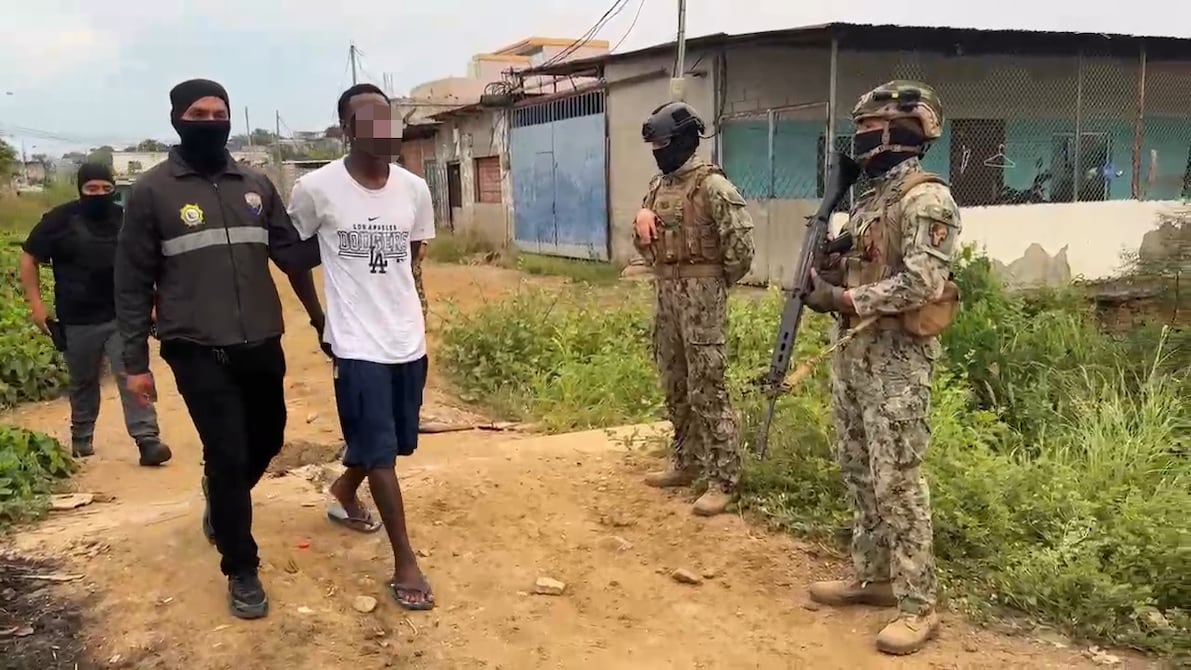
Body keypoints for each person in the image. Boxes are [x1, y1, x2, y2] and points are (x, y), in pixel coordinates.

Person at [114, 78, 324, 620]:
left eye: (219, 112)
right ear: (176, 120)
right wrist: (134, 363)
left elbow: (290, 254)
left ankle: (222, 496)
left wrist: (344, 228)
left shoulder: (255, 184)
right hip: (195, 345)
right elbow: (132, 283)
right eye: (198, 113)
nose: (211, 122)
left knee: (268, 438)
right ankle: (241, 567)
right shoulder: (152, 192)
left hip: (261, 339)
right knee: (227, 452)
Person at [802, 80, 962, 656]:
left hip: (897, 361)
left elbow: (923, 283)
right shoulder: (872, 199)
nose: (862, 140)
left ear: (904, 131)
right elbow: (863, 264)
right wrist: (830, 265)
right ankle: (874, 577)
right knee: (858, 470)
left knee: (898, 481)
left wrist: (846, 299)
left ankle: (919, 606)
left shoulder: (927, 199)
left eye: (870, 129)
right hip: (854, 353)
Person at [286, 83, 436, 611]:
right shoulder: (315, 188)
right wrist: (319, 318)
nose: (383, 129)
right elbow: (295, 258)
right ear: (347, 130)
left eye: (388, 118)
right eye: (369, 120)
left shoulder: (415, 189)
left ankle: (344, 490)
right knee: (381, 452)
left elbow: (411, 258)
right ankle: (405, 561)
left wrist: (412, 320)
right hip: (355, 342)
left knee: (393, 442)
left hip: (406, 339)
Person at [632, 101, 755, 517]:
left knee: (708, 387)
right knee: (674, 383)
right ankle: (686, 461)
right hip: (666, 295)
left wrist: (711, 283)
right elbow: (646, 245)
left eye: (663, 144)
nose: (658, 153)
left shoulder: (714, 187)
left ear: (684, 140)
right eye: (654, 147)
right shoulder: (657, 188)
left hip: (702, 300)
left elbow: (741, 249)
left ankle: (724, 478)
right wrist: (641, 227)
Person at [19, 163, 171, 465]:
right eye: (91, 188)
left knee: (132, 373)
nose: (99, 194)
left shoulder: (126, 220)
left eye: (106, 188)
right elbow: (28, 259)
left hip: (122, 315)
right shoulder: (59, 220)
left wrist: (154, 304)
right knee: (83, 381)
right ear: (80, 189)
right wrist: (37, 308)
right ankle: (82, 437)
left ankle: (147, 439)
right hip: (76, 318)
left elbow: (150, 262)